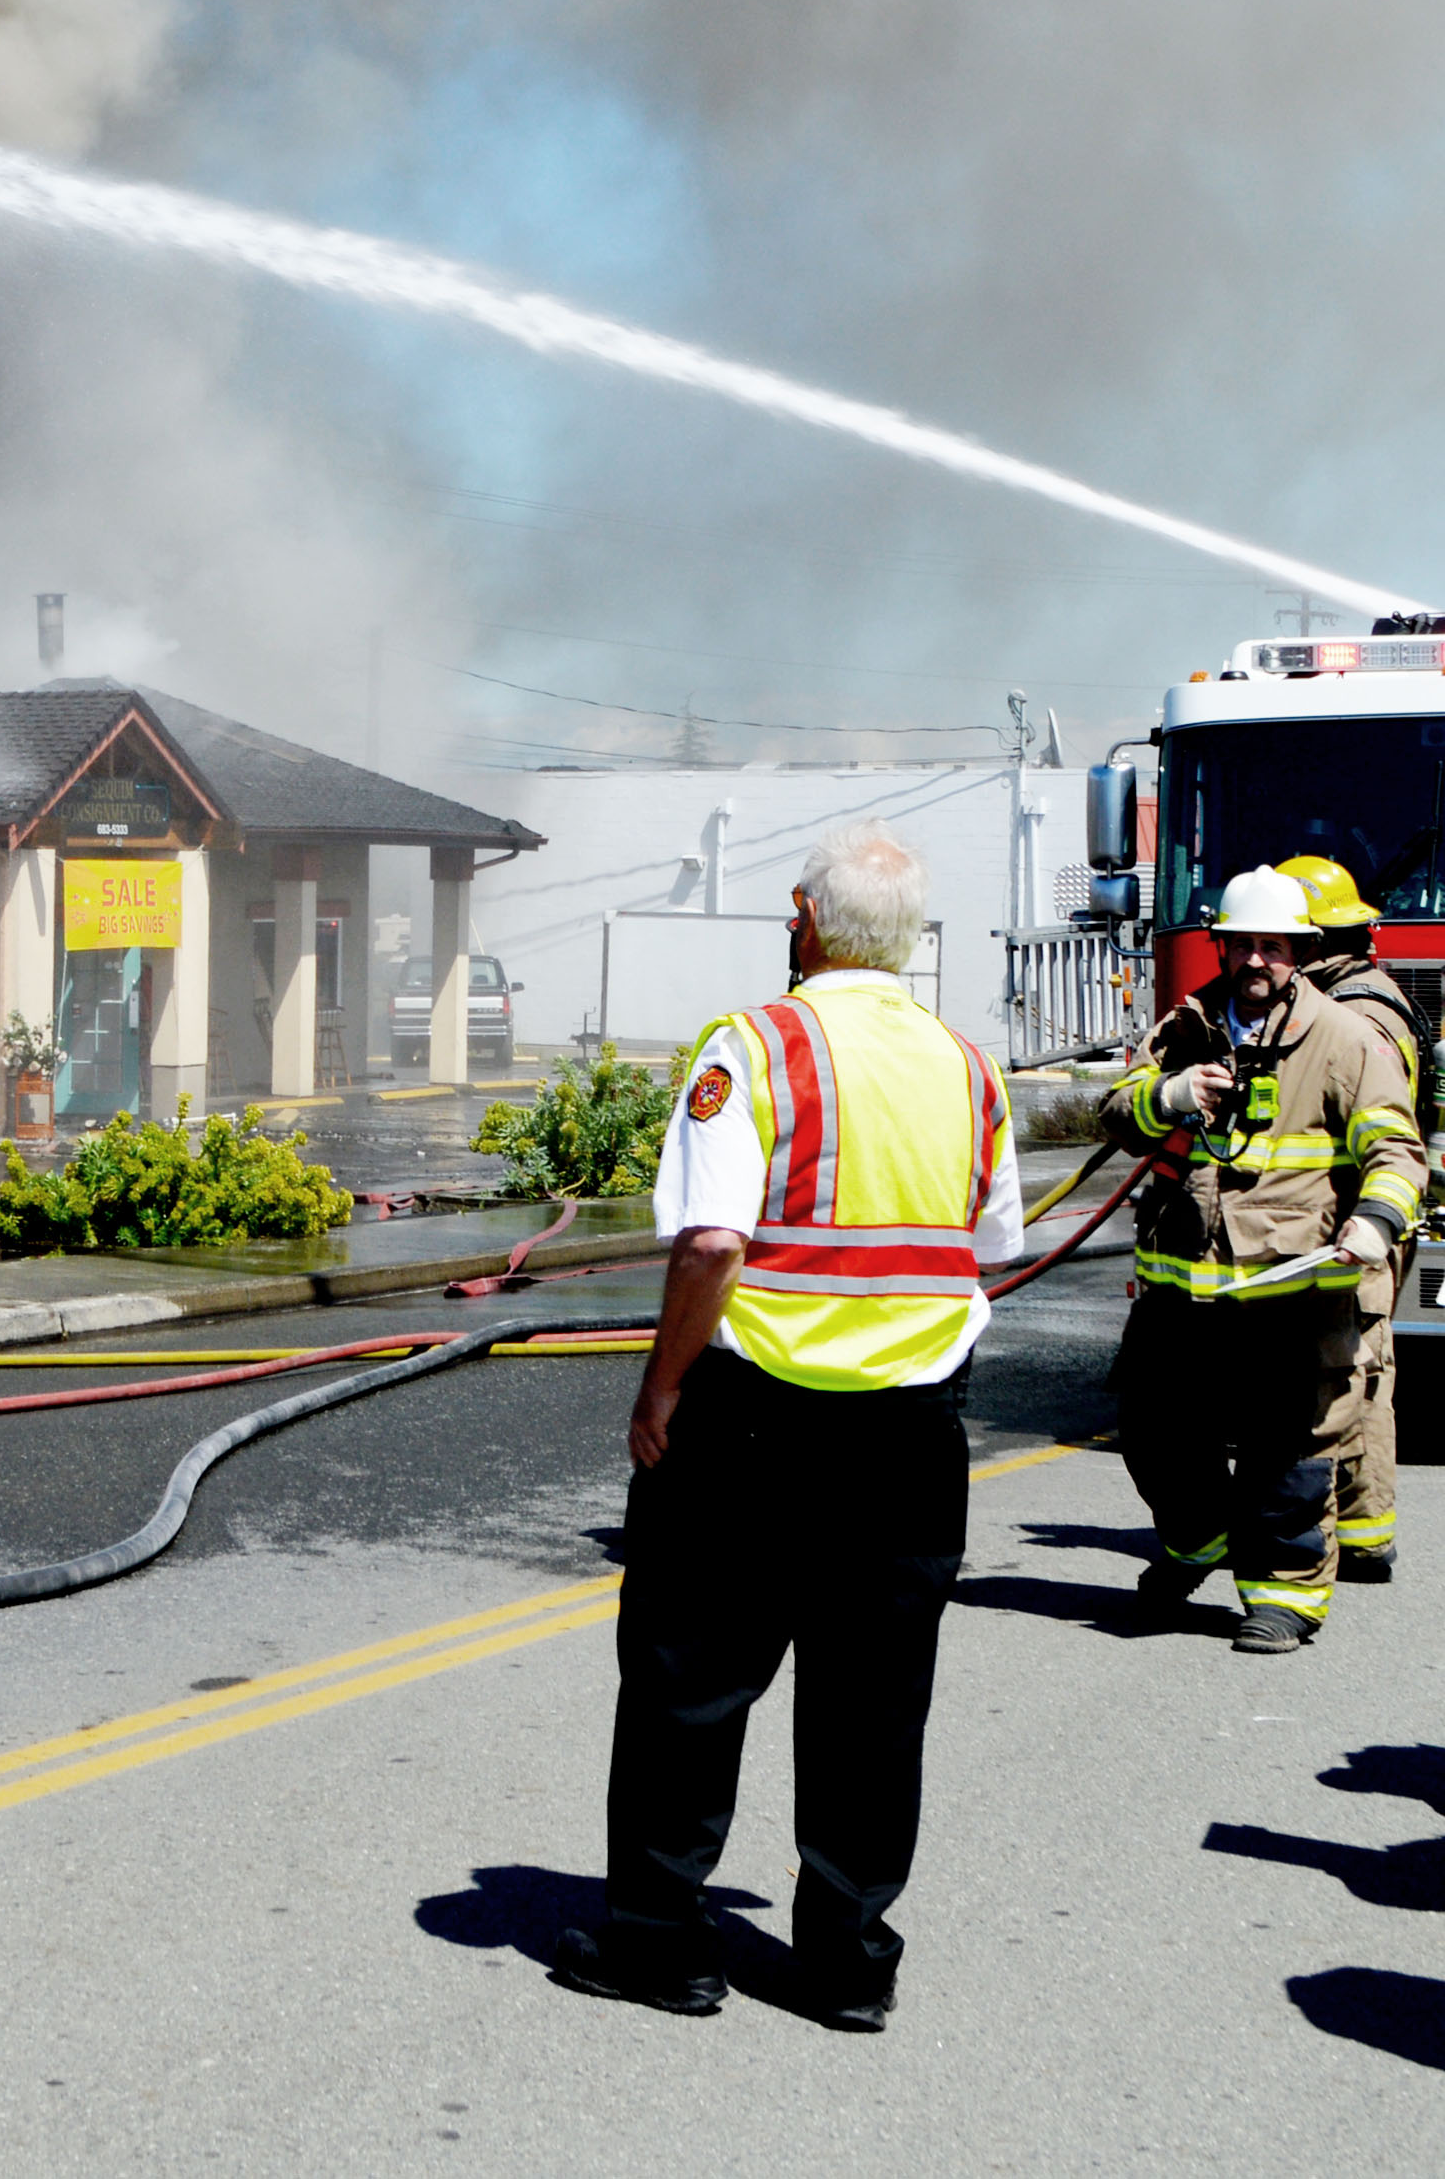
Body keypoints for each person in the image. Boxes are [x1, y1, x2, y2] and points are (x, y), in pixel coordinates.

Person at [547, 821, 1021, 2030]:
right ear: (909, 942)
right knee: (872, 1705)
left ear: (803, 921)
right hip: (912, 1437)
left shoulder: (753, 1044)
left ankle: (661, 1942)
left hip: (753, 1427)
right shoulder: (969, 1066)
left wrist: (659, 1388)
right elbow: (994, 1243)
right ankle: (851, 1962)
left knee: (688, 1687)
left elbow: (712, 1239)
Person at [1100, 866, 1427, 1652]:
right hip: (1182, 1291)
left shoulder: (1345, 1038)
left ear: (1302, 951)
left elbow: (1396, 1148)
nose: (1254, 962)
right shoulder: (1187, 1027)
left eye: (1272, 947)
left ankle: (1284, 1596)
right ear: (1221, 946)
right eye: (1240, 945)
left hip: (1292, 1291)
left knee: (1288, 1444)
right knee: (1152, 1426)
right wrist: (1169, 1096)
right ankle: (1197, 1541)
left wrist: (1377, 1222)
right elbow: (1117, 1115)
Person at [1279, 853, 1417, 1583]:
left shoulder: (1357, 1018)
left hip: (1355, 1224)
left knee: (1356, 1376)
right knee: (1365, 1371)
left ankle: (1360, 1533)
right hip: (1360, 1219)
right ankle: (1363, 1530)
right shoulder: (1373, 998)